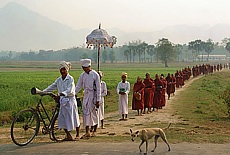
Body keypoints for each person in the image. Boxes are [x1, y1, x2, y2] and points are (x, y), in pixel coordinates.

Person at [43, 61, 80, 141]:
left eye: (64, 69)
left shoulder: (70, 79)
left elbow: (70, 90)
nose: (62, 71)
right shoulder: (59, 80)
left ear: (67, 70)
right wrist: (43, 92)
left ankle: (77, 134)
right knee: (62, 119)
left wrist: (61, 94)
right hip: (62, 101)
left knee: (74, 117)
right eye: (61, 70)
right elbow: (52, 86)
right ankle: (68, 135)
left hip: (70, 101)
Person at [75, 59, 101, 138]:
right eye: (83, 68)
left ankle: (94, 130)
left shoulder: (95, 75)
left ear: (89, 66)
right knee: (85, 114)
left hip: (93, 96)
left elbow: (98, 88)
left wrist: (98, 100)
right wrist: (73, 93)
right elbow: (78, 86)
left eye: (85, 67)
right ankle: (87, 131)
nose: (84, 69)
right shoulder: (82, 75)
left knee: (93, 114)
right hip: (86, 96)